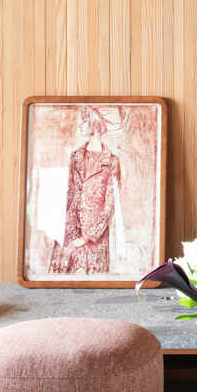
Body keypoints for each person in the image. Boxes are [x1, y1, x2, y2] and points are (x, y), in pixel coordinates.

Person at [50, 108, 122, 275]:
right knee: (61, 279)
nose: (79, 125)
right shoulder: (75, 156)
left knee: (93, 281)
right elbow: (70, 192)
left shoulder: (111, 161)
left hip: (94, 237)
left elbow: (111, 204)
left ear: (95, 124)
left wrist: (88, 236)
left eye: (83, 121)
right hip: (70, 229)